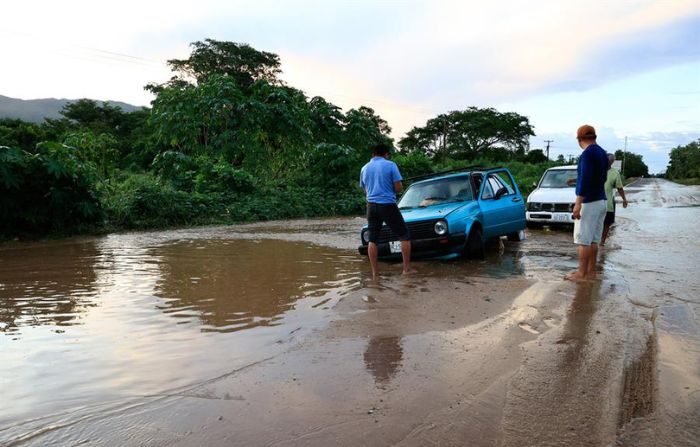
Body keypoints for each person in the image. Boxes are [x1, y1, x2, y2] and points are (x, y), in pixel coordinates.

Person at [360, 143, 416, 279]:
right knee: (404, 235)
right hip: (387, 205)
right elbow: (398, 188)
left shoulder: (364, 168)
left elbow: (365, 189)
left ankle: (375, 274)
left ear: (373, 154)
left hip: (371, 206)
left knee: (373, 240)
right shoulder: (390, 165)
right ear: (386, 154)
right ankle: (406, 269)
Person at [566, 125, 609, 282]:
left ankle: (581, 274)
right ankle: (591, 272)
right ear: (594, 137)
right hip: (601, 200)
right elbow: (596, 176)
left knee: (583, 240)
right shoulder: (602, 153)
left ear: (579, 139)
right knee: (593, 240)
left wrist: (578, 203)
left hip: (589, 202)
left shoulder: (587, 154)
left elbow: (585, 179)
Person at [601, 153, 628, 246]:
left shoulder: (615, 173)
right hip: (595, 202)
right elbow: (585, 179)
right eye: (606, 161)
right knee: (595, 224)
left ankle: (602, 242)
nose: (608, 163)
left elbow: (619, 188)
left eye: (610, 161)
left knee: (606, 224)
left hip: (607, 204)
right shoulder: (596, 169)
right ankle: (594, 242)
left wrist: (624, 199)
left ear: (612, 162)